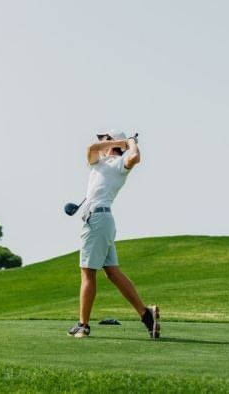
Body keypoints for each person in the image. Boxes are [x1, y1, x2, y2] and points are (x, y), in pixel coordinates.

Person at [67, 130, 160, 339]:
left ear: (114, 145)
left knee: (87, 272)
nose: (100, 142)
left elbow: (135, 157)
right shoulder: (98, 162)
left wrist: (128, 144)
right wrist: (120, 142)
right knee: (112, 273)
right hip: (101, 222)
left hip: (98, 220)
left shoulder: (119, 164)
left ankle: (83, 325)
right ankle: (146, 315)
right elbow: (90, 149)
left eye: (105, 139)